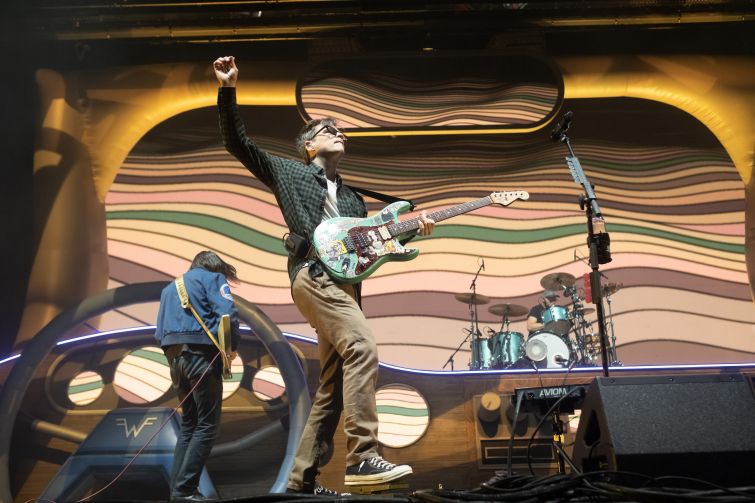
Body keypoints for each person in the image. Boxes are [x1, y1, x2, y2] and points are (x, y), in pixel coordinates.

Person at [213, 55, 435, 494]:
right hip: (314, 277)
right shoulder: (291, 173)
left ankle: (300, 479)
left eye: (340, 129)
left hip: (346, 290)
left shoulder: (353, 199)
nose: (339, 132)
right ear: (309, 146)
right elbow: (238, 144)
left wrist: (411, 231)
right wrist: (228, 88)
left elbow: (371, 249)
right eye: (328, 129)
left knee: (331, 388)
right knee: (363, 346)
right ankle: (364, 458)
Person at [155, 250, 240, 502]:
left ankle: (177, 492)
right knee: (206, 426)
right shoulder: (212, 279)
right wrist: (232, 347)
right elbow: (228, 315)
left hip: (175, 362)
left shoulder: (168, 289)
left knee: (190, 425)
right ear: (214, 266)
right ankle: (185, 490)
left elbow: (159, 333)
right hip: (201, 358)